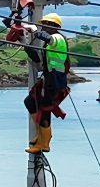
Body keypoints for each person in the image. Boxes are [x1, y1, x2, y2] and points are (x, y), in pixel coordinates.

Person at [22, 13, 69, 154]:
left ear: (54, 26)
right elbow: (40, 61)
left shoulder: (58, 38)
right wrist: (25, 44)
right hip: (49, 78)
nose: (44, 26)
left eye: (46, 24)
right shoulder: (49, 43)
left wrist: (35, 30)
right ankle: (40, 136)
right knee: (30, 102)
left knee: (45, 110)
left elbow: (49, 39)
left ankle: (44, 143)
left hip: (55, 79)